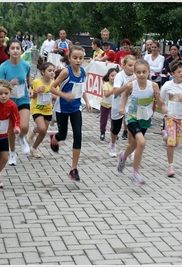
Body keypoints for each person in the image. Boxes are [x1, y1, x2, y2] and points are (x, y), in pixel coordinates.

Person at [49, 45, 92, 181]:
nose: (78, 60)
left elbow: (82, 89)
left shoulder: (83, 72)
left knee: (78, 135)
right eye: (75, 58)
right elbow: (52, 88)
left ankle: (74, 168)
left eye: (80, 58)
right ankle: (54, 138)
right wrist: (64, 95)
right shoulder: (65, 72)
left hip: (76, 108)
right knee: (63, 135)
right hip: (62, 108)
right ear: (69, 58)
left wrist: (88, 102)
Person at [117, 59, 160, 185]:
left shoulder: (154, 86)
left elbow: (160, 104)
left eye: (144, 72)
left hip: (145, 118)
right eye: (138, 72)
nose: (141, 74)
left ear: (148, 72)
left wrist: (160, 102)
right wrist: (122, 108)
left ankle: (123, 156)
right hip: (132, 117)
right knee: (141, 142)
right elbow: (125, 95)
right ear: (135, 73)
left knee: (135, 145)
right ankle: (135, 173)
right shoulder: (132, 85)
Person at [0, 39, 33, 165]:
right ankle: (12, 153)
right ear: (8, 51)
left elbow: (29, 75)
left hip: (22, 98)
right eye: (13, 48)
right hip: (9, 101)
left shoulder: (25, 65)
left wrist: (30, 87)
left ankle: (22, 137)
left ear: (21, 50)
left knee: (24, 126)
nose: (16, 51)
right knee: (11, 130)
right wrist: (9, 84)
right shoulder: (4, 67)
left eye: (18, 48)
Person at [159, 60, 182, 177]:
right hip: (170, 116)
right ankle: (170, 166)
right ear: (173, 73)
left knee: (176, 143)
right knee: (171, 143)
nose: (181, 74)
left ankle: (165, 135)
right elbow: (160, 99)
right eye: (179, 71)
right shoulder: (167, 85)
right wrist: (163, 107)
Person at [27, 61, 56, 158]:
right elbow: (32, 96)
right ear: (43, 72)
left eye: (53, 71)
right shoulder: (36, 82)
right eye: (49, 70)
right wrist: (37, 91)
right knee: (42, 128)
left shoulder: (54, 83)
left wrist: (53, 95)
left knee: (43, 132)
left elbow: (57, 95)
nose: (52, 72)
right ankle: (33, 132)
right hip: (37, 108)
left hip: (48, 109)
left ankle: (34, 148)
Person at [110, 55, 136, 157]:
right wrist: (127, 85)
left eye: (134, 65)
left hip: (131, 105)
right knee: (116, 128)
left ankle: (130, 149)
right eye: (130, 65)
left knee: (131, 128)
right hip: (118, 104)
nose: (132, 68)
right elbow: (116, 92)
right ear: (124, 65)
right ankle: (112, 144)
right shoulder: (119, 76)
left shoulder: (136, 75)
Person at [99, 68, 118, 141]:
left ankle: (113, 133)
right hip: (104, 105)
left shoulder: (118, 85)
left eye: (116, 76)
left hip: (113, 105)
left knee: (113, 120)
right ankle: (102, 132)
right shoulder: (106, 84)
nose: (114, 77)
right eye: (112, 75)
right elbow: (106, 94)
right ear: (108, 77)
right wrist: (113, 90)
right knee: (103, 120)